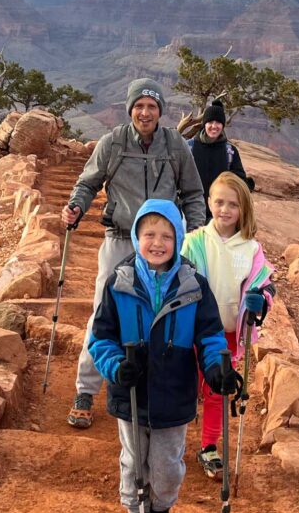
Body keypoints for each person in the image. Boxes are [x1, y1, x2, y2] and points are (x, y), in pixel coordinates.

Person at [89, 198, 237, 513]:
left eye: (167, 235)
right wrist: (115, 367)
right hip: (132, 393)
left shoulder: (193, 286)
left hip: (174, 392)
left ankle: (160, 512)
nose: (157, 243)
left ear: (179, 238)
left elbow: (211, 335)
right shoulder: (119, 282)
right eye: (149, 234)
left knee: (167, 463)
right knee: (133, 460)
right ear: (137, 236)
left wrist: (218, 365)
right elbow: (101, 338)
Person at [62, 78, 206, 429]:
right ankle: (86, 389)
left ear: (160, 112)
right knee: (104, 312)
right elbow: (88, 183)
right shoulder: (113, 143)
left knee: (160, 315)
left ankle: (152, 389)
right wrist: (75, 207)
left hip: (161, 245)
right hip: (121, 238)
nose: (145, 112)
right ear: (130, 110)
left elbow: (193, 193)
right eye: (139, 106)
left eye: (152, 106)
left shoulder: (174, 146)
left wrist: (197, 230)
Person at [181, 171, 274, 479]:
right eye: (219, 202)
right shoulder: (194, 242)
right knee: (184, 383)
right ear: (209, 203)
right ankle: (173, 440)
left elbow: (264, 285)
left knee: (217, 390)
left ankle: (208, 445)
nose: (224, 210)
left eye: (232, 204)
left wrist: (260, 302)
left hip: (230, 335)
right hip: (192, 330)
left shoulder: (251, 249)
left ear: (243, 208)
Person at [187, 99, 254, 219]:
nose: (214, 126)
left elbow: (238, 179)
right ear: (204, 124)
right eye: (210, 122)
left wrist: (246, 185)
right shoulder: (189, 147)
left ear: (223, 125)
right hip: (191, 213)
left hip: (218, 216)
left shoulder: (230, 151)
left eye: (218, 122)